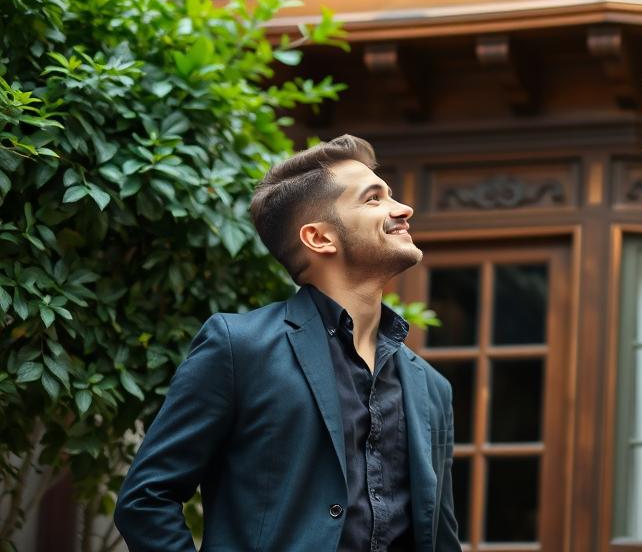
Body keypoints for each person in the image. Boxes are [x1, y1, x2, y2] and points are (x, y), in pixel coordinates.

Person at [115, 135, 460, 552]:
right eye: (373, 199)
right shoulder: (239, 347)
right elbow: (146, 499)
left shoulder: (432, 387)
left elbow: (440, 538)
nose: (403, 209)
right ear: (319, 238)